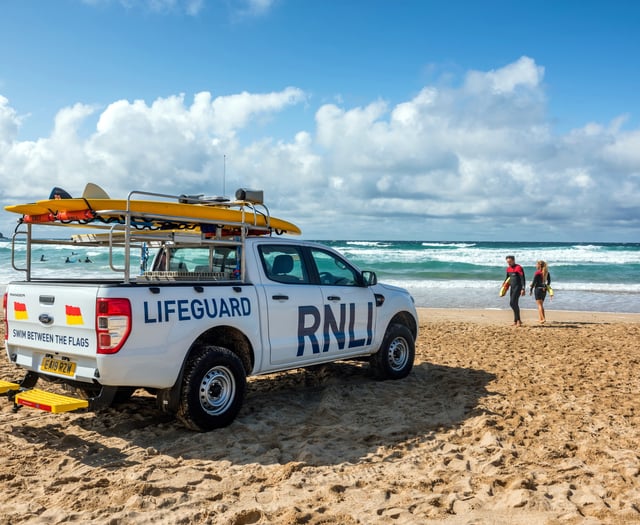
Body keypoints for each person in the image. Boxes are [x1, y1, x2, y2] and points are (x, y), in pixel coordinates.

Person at [505, 255, 526, 327]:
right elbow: (507, 278)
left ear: (514, 260)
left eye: (510, 262)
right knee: (514, 304)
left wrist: (523, 289)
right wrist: (504, 286)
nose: (509, 263)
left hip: (518, 287)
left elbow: (523, 279)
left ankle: (518, 320)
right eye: (508, 262)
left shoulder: (519, 268)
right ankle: (516, 320)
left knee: (512, 303)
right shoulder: (508, 269)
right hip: (512, 288)